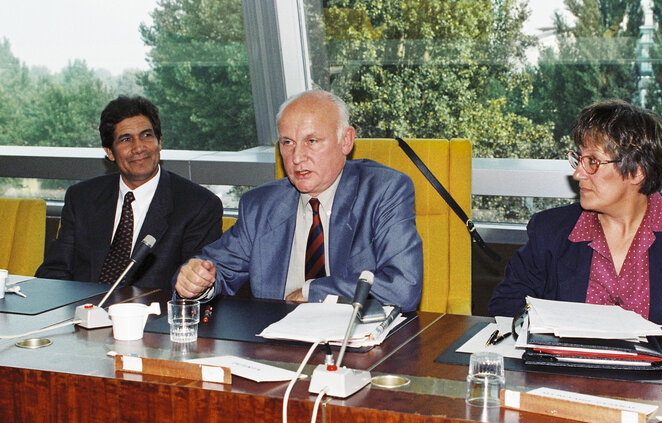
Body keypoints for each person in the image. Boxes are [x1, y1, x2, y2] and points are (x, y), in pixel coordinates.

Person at [488, 99, 662, 327]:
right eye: (579, 159)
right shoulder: (551, 230)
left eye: (592, 161)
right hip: (571, 382)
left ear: (637, 172)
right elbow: (506, 304)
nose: (577, 173)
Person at [174, 90, 423, 311]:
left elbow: (403, 288)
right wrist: (196, 282)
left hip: (354, 345)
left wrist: (311, 292)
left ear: (346, 141)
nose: (297, 157)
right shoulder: (260, 205)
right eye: (288, 143)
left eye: (311, 141)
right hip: (275, 344)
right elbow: (215, 269)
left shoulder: (383, 191)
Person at [36, 95, 223, 289]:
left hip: (153, 315)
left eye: (146, 136)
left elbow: (196, 286)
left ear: (159, 142)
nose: (139, 148)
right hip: (84, 312)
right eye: (126, 139)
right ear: (109, 152)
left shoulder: (199, 205)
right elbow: (54, 271)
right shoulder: (82, 197)